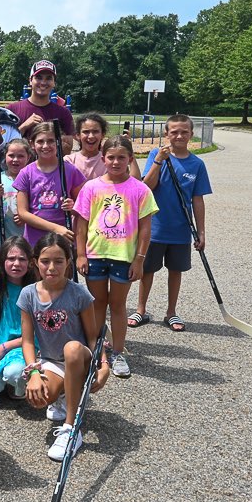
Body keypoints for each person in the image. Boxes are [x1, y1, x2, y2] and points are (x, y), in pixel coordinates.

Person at [19, 233, 109, 461]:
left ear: (69, 262)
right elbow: (28, 341)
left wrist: (103, 365)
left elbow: (93, 337)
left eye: (59, 261)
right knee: (38, 398)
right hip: (51, 359)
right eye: (45, 261)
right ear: (35, 262)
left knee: (71, 348)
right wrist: (34, 373)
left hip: (80, 355)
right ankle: (67, 394)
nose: (52, 268)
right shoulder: (28, 294)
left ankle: (71, 429)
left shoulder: (79, 294)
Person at [73, 136, 157, 379]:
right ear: (103, 159)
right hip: (96, 254)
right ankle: (98, 350)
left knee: (117, 305)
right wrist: (81, 254)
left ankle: (118, 352)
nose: (116, 162)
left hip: (123, 256)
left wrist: (139, 259)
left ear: (130, 159)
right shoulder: (91, 187)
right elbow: (81, 224)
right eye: (111, 157)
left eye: (122, 157)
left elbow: (145, 229)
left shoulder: (140, 189)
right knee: (97, 304)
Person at [131, 114, 212, 332]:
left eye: (184, 132)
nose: (179, 135)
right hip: (155, 228)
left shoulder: (197, 164)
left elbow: (198, 199)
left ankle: (171, 312)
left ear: (191, 135)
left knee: (176, 270)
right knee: (147, 270)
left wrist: (201, 232)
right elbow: (146, 187)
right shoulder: (156, 155)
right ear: (166, 134)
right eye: (174, 131)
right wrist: (158, 161)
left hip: (181, 230)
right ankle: (141, 309)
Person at [0, 237, 36, 406]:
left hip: (20, 349)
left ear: (30, 262)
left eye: (22, 259)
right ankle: (0, 382)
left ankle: (16, 386)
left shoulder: (35, 290)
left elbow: (35, 334)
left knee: (15, 373)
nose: (16, 263)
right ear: (2, 260)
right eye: (11, 258)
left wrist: (4, 347)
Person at [14, 122, 85, 247]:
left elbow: (82, 207)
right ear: (32, 144)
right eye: (40, 141)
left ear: (59, 142)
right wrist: (56, 228)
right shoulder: (26, 173)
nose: (45, 146)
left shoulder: (70, 170)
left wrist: (72, 206)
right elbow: (22, 212)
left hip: (62, 240)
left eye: (51, 141)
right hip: (34, 241)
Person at [9, 60, 74, 150]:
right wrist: (24, 127)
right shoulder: (12, 110)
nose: (43, 83)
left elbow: (68, 148)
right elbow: (4, 146)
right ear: (30, 80)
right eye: (38, 77)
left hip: (52, 164)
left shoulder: (63, 113)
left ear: (54, 83)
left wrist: (50, 134)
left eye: (48, 78)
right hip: (21, 164)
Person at [66, 113, 141, 181]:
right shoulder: (69, 161)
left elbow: (135, 183)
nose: (91, 136)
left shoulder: (109, 159)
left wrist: (129, 149)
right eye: (86, 132)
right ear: (78, 135)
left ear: (103, 134)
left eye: (95, 131)